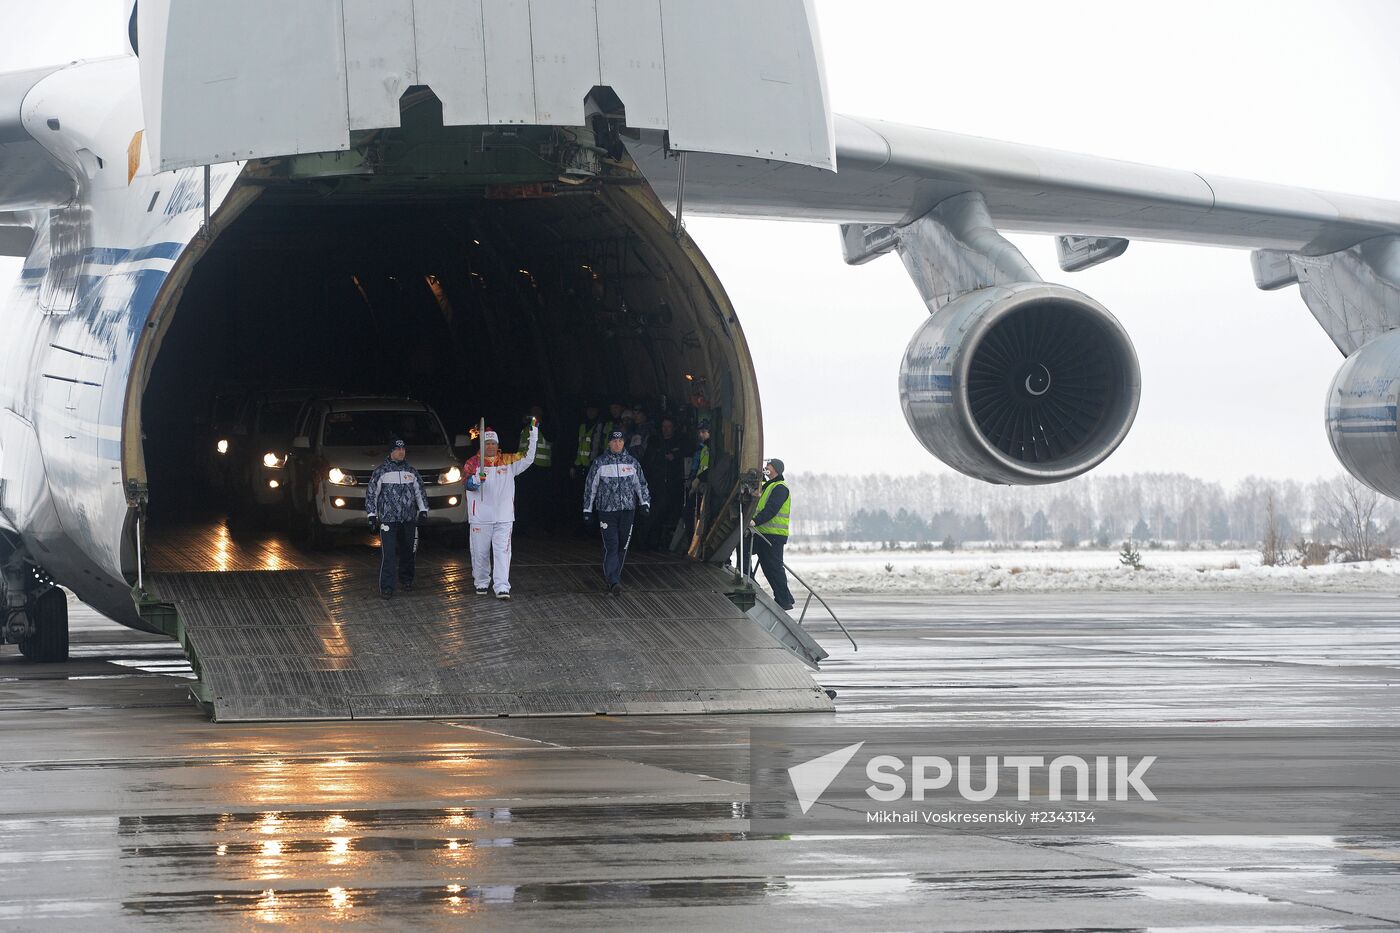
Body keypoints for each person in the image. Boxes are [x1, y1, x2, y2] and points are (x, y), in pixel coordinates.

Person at [464, 421, 538, 599]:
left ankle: (502, 586)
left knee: (502, 552)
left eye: (493, 443)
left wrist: (533, 434)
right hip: (480, 517)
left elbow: (529, 458)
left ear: (498, 445)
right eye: (487, 443)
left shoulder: (508, 461)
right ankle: (481, 582)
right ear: (482, 445)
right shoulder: (473, 463)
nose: (490, 446)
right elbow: (466, 484)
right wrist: (476, 480)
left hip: (504, 517)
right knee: (480, 552)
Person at [582, 430, 651, 595]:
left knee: (622, 545)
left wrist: (645, 503)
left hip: (627, 511)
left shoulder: (632, 463)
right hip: (607, 511)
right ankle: (613, 581)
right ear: (609, 443)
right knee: (612, 545)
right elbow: (591, 487)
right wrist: (587, 509)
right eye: (614, 441)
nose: (617, 444)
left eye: (620, 441)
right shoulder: (600, 463)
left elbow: (640, 485)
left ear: (624, 443)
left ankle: (613, 577)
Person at [365, 438, 429, 599]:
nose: (401, 452)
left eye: (403, 449)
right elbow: (372, 494)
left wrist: (423, 510)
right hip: (388, 520)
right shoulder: (381, 471)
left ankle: (406, 579)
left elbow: (419, 491)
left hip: (408, 519)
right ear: (391, 451)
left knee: (408, 551)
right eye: (397, 449)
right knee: (389, 554)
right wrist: (372, 515)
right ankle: (387, 587)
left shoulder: (411, 471)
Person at [748, 458, 794, 610]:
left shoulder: (780, 488)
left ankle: (784, 600)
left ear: (775, 469)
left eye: (768, 466)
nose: (765, 467)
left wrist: (755, 521)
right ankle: (750, 578)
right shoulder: (767, 485)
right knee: (749, 551)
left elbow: (771, 509)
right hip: (762, 533)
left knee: (773, 567)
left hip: (774, 535)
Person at [645, 416, 686, 549]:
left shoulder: (679, 443)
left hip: (673, 485)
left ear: (674, 428)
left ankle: (663, 542)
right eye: (663, 426)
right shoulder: (656, 443)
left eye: (668, 426)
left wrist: (675, 458)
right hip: (656, 484)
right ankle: (650, 541)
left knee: (667, 513)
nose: (665, 429)